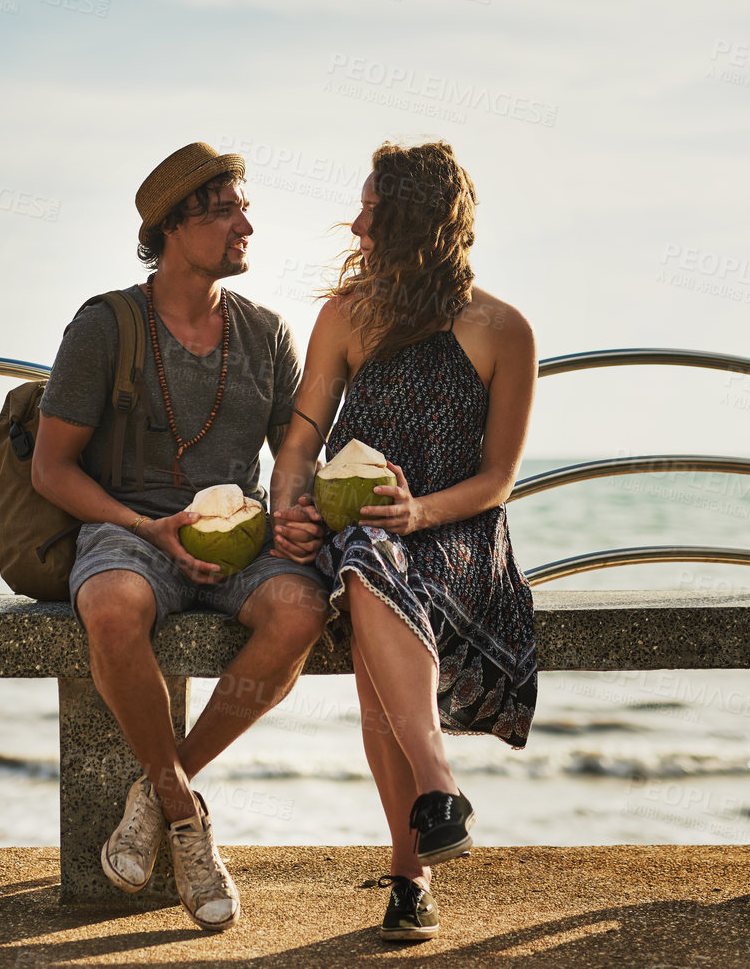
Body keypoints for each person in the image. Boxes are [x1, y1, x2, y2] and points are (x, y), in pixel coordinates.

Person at [31, 142, 331, 932]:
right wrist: (142, 526)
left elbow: (292, 460)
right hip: (131, 529)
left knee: (301, 611)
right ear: (173, 225)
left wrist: (298, 511)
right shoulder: (104, 326)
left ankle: (161, 790)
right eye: (228, 209)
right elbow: (51, 469)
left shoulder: (266, 332)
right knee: (111, 608)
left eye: (242, 206)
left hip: (241, 538)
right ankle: (188, 819)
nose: (248, 225)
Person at [269, 140, 538, 942]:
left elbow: (497, 478)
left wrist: (419, 512)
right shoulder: (347, 314)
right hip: (359, 535)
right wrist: (288, 504)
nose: (354, 225)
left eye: (369, 210)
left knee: (368, 571)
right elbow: (300, 439)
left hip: (455, 535)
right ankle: (433, 798)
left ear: (411, 223)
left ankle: (410, 867)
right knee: (362, 558)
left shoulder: (503, 329)